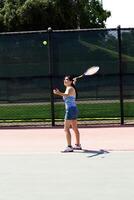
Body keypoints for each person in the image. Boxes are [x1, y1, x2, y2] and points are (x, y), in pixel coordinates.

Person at [53, 75, 82, 152]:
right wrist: (74, 82)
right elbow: (71, 90)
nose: (64, 81)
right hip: (74, 109)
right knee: (75, 128)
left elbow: (67, 94)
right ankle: (78, 145)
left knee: (66, 129)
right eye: (64, 79)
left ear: (70, 81)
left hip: (70, 110)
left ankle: (69, 147)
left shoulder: (70, 88)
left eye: (66, 80)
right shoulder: (71, 87)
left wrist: (58, 93)